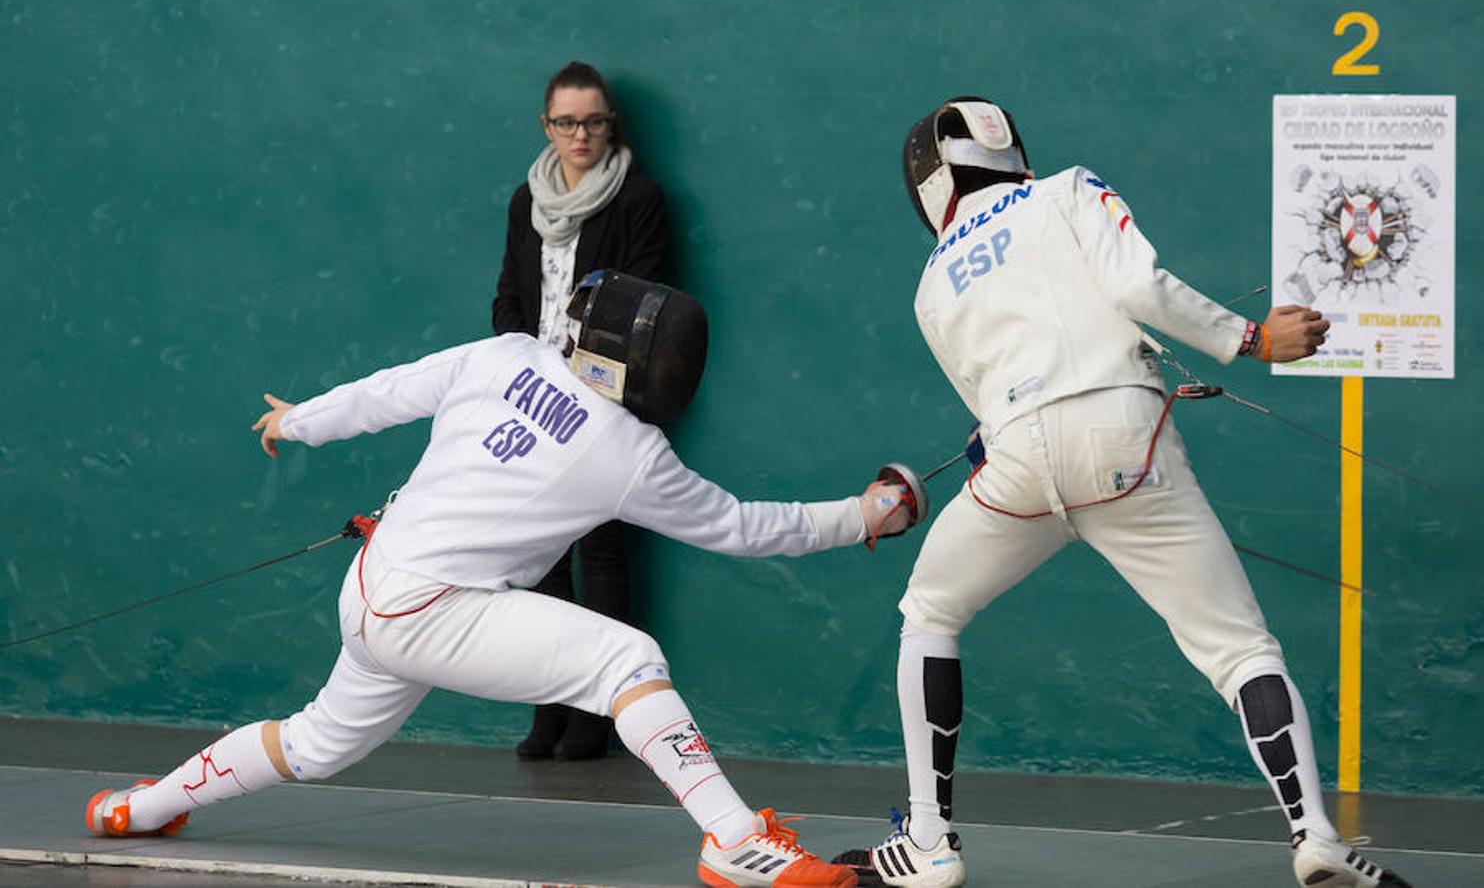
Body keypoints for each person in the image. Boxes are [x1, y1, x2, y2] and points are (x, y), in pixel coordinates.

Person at [85, 272, 911, 888]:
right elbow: (745, 528)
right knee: (625, 661)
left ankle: (141, 807)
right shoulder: (631, 456)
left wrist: (295, 421)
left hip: (372, 592)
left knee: (315, 742)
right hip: (431, 612)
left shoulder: (502, 354)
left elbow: (384, 395)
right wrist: (863, 514)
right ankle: (733, 841)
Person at [831, 98, 1410, 888]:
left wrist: (995, 441)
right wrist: (1253, 339)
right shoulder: (1066, 190)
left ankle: (930, 842)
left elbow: (992, 400)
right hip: (1124, 442)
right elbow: (1137, 285)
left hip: (1018, 469)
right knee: (1239, 649)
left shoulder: (931, 283)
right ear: (1009, 153)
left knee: (929, 614)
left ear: (930, 188)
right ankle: (1315, 839)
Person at [490, 60, 669, 760]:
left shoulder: (638, 199)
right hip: (533, 397)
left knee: (601, 549)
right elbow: (510, 292)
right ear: (547, 126)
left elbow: (646, 298)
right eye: (566, 122)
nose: (580, 134)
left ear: (609, 123)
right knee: (540, 556)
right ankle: (551, 706)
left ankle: (598, 711)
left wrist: (584, 370)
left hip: (602, 396)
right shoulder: (524, 202)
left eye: (592, 120)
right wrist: (518, 359)